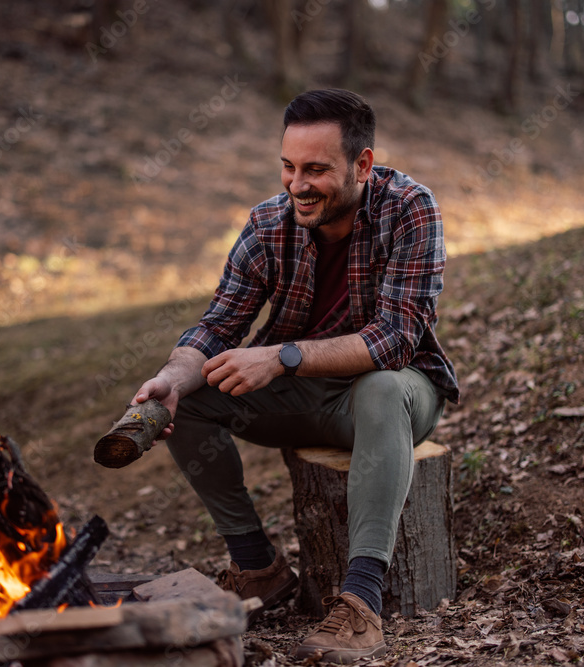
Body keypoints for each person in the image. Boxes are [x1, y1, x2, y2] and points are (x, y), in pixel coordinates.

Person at [131, 88, 459, 664]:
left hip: (398, 393)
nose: (297, 184)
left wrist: (282, 356)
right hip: (306, 399)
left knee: (381, 386)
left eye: (315, 169)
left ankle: (360, 604)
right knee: (191, 396)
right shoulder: (269, 224)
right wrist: (170, 378)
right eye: (288, 166)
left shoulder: (410, 207)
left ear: (362, 165)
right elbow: (217, 326)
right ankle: (258, 566)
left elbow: (396, 338)